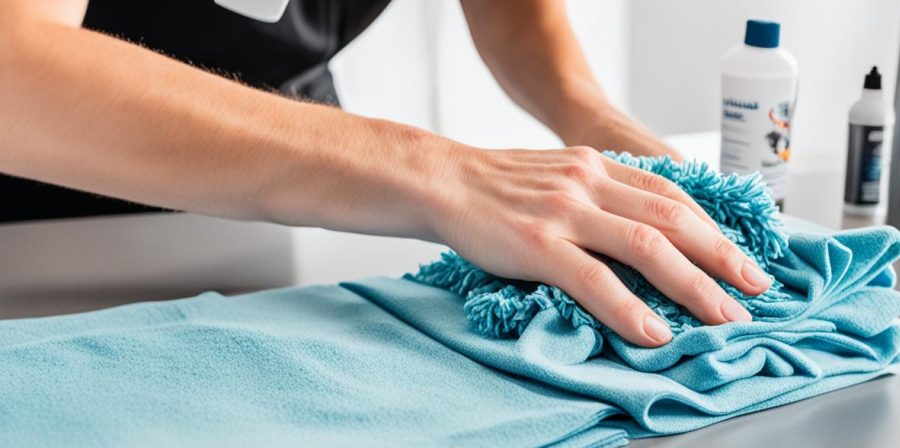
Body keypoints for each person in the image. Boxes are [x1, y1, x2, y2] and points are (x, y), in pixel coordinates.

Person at [0, 0, 772, 347]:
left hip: (295, 201)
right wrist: (439, 172)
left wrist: (595, 122)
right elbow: (14, 73)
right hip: (36, 225)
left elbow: (512, 10)